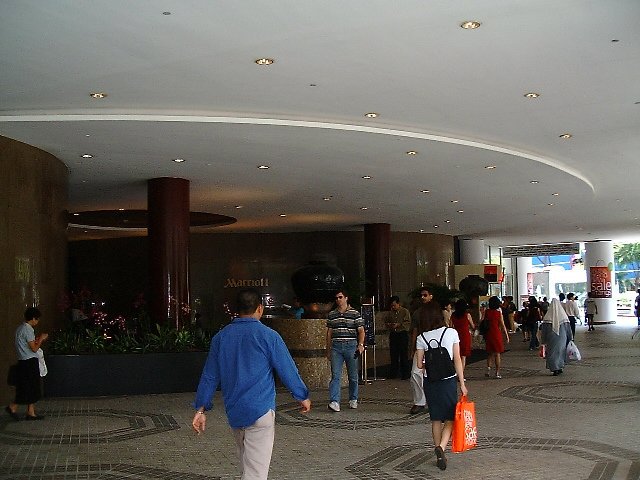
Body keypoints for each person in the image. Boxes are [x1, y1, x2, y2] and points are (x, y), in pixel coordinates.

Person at [192, 288, 311, 480]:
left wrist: (201, 408)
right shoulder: (269, 336)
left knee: (248, 467)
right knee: (255, 473)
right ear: (260, 308)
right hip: (261, 409)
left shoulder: (221, 338)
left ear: (236, 310)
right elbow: (287, 368)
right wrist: (302, 395)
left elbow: (210, 376)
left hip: (235, 411)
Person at [416, 306, 468, 471]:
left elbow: (419, 365)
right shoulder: (451, 333)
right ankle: (441, 448)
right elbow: (457, 359)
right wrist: (462, 383)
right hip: (448, 381)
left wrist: (430, 363)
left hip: (430, 382)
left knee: (436, 418)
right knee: (451, 417)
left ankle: (438, 450)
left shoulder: (421, 338)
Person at [6, 307, 48, 421]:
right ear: (33, 318)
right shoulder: (28, 329)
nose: (37, 322)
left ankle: (31, 412)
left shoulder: (20, 328)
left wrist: (37, 340)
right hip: (29, 361)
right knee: (28, 386)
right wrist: (41, 339)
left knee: (29, 386)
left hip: (22, 360)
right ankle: (13, 407)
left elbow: (27, 345)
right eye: (37, 319)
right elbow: (34, 348)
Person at [326, 289, 365, 412]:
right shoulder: (332, 314)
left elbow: (361, 330)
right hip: (336, 347)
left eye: (340, 297)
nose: (338, 300)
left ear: (346, 298)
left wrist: (360, 345)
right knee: (335, 375)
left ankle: (353, 398)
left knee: (353, 376)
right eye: (336, 298)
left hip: (351, 346)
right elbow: (329, 333)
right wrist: (328, 349)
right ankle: (334, 401)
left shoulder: (354, 313)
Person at [408, 287, 442, 414]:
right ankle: (420, 401)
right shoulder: (418, 313)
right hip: (421, 345)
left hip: (435, 345)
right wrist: (413, 348)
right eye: (421, 295)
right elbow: (415, 331)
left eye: (425, 295)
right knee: (416, 373)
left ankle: (435, 400)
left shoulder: (437, 311)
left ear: (431, 296)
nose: (423, 297)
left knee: (435, 373)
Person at [540, 298, 572, 375]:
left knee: (552, 352)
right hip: (562, 338)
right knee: (561, 351)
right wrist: (570, 338)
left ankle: (554, 368)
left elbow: (544, 331)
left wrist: (543, 341)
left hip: (551, 338)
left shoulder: (547, 317)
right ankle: (560, 366)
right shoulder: (564, 317)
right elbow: (568, 329)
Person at [481, 295, 510, 378]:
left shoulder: (486, 312)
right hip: (496, 334)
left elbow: (482, 321)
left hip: (488, 334)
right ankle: (497, 372)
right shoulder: (498, 313)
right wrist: (507, 336)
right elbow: (503, 325)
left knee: (489, 353)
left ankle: (488, 369)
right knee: (497, 354)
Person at [384, 295, 411, 380]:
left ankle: (405, 373)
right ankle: (393, 373)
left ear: (399, 304)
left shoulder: (404, 311)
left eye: (394, 305)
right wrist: (389, 325)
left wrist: (399, 325)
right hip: (393, 334)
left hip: (402, 333)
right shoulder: (390, 313)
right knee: (393, 354)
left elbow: (408, 322)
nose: (393, 307)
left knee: (403, 354)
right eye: (392, 306)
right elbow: (386, 321)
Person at [450, 299, 475, 373]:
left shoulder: (453, 315)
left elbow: (450, 326)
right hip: (465, 336)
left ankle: (457, 371)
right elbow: (473, 326)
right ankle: (460, 373)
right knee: (463, 356)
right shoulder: (467, 315)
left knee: (457, 355)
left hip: (455, 336)